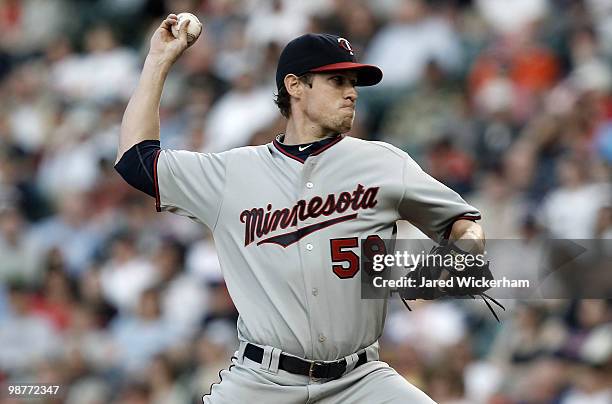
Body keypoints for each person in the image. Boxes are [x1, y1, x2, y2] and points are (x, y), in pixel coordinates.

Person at [115, 14, 485, 403]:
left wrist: (466, 248)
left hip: (360, 380)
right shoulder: (232, 173)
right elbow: (135, 159)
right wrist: (159, 59)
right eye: (337, 81)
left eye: (353, 83)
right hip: (261, 381)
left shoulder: (384, 163)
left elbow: (463, 221)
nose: (352, 93)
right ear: (295, 86)